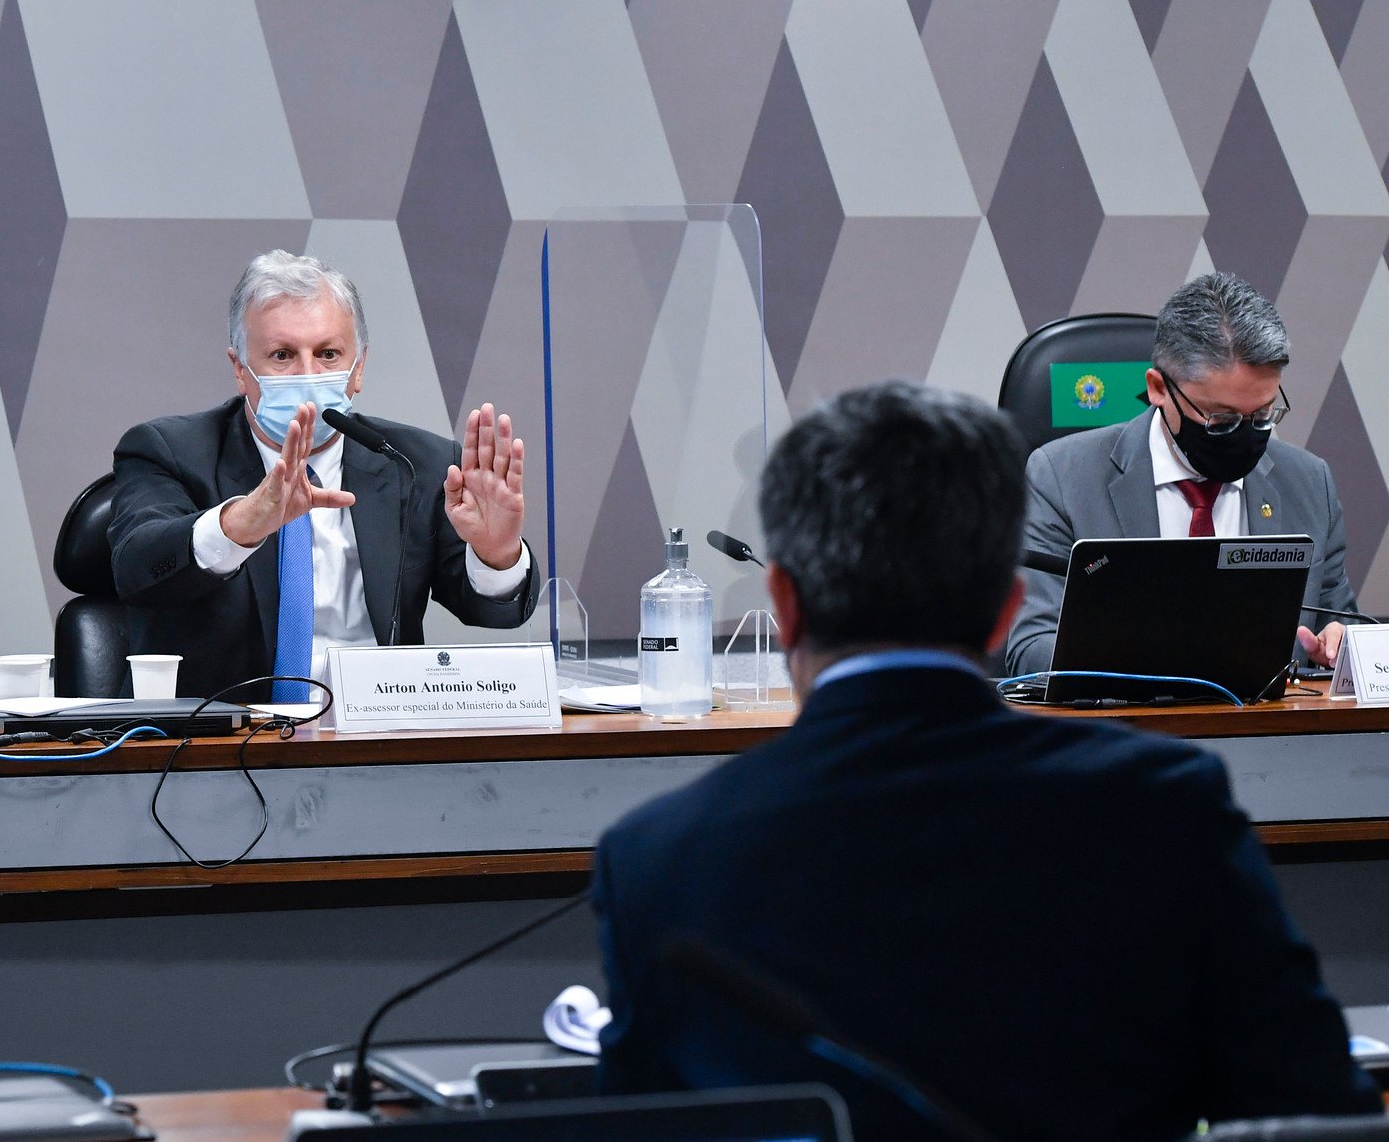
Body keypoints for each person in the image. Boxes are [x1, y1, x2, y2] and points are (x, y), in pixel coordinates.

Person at [593, 381, 1376, 1139]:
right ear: (1007, 607)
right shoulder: (1166, 807)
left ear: (784, 604)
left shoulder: (656, 859)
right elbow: (1314, 1106)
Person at [110, 250, 540, 700]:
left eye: (329, 354)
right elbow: (138, 569)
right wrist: (239, 525)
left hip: (372, 738)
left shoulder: (418, 463)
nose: (308, 375)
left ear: (359, 369)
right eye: (282, 355)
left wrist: (497, 554)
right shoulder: (169, 451)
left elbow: (494, 613)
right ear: (240, 369)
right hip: (221, 741)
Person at [1006, 272, 1358, 677]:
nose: (1244, 434)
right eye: (1220, 419)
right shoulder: (1061, 478)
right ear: (1158, 388)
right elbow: (1032, 649)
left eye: (1262, 415)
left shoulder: (1310, 482)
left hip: (1274, 735)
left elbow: (1338, 621)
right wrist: (1162, 661)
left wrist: (1340, 644)